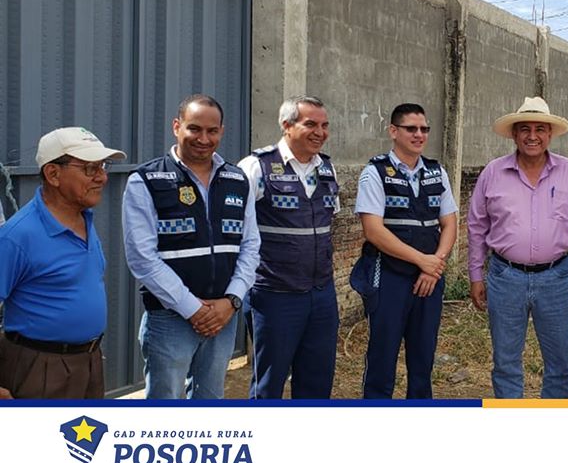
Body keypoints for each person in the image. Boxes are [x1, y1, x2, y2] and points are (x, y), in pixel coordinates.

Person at [122, 94, 260, 399]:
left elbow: (251, 246)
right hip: (170, 318)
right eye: (194, 129)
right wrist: (192, 308)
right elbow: (142, 258)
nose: (203, 139)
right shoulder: (146, 180)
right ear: (177, 126)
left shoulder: (237, 180)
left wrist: (232, 300)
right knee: (166, 402)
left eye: (212, 131)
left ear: (222, 131)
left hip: (223, 317)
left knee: (210, 399)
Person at [468, 96, 568, 398]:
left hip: (556, 278)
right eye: (525, 129)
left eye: (540, 129)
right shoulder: (493, 173)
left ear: (550, 134)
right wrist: (476, 276)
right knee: (505, 362)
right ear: (514, 134)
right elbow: (476, 226)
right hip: (505, 277)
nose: (532, 136)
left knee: (560, 363)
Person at [0, 127, 126, 398]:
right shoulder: (18, 236)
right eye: (90, 168)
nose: (102, 177)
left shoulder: (83, 218)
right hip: (40, 369)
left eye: (102, 166)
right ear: (53, 174)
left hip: (89, 362)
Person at [237, 95, 340, 399]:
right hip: (274, 295)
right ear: (286, 125)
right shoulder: (256, 167)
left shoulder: (327, 169)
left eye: (324, 125)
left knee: (317, 381)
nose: (320, 132)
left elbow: (328, 225)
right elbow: (235, 229)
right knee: (269, 383)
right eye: (311, 124)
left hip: (321, 294)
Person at [353, 103, 458, 399]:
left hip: (429, 280)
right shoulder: (375, 173)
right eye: (411, 128)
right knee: (382, 357)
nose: (419, 134)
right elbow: (373, 231)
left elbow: (450, 223)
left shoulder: (436, 172)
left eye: (424, 129)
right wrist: (423, 261)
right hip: (388, 277)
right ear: (393, 131)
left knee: (423, 358)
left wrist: (434, 267)